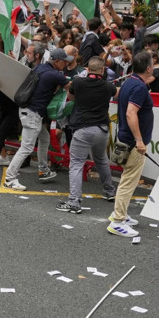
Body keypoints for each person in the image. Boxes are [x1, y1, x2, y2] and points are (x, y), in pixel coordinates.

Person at [3, 48, 73, 190]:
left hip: (28, 111)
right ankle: (10, 178)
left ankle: (43, 170)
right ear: (57, 61)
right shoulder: (55, 75)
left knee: (44, 138)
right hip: (33, 114)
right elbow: (71, 89)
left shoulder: (40, 67)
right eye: (64, 62)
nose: (66, 64)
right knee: (26, 147)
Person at [58, 57, 116, 214]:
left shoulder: (77, 83)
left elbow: (70, 98)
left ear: (87, 69)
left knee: (76, 164)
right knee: (101, 160)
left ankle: (74, 202)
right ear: (102, 70)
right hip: (102, 129)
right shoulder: (108, 86)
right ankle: (110, 192)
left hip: (83, 128)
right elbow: (116, 94)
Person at [108, 51, 155, 238]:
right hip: (132, 141)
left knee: (128, 179)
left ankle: (121, 214)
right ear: (149, 68)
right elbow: (130, 113)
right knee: (129, 180)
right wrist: (139, 140)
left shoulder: (129, 82)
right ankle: (118, 220)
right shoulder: (140, 87)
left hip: (125, 137)